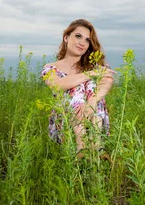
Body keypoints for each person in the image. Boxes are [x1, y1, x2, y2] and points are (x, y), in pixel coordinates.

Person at [41, 18, 115, 159]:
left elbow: (107, 80)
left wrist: (92, 101)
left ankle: (93, 146)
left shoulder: (95, 63)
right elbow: (59, 85)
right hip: (65, 122)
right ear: (66, 38)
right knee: (76, 89)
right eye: (78, 36)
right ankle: (86, 148)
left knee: (95, 89)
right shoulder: (50, 68)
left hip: (94, 118)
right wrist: (90, 74)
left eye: (87, 40)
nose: (83, 43)